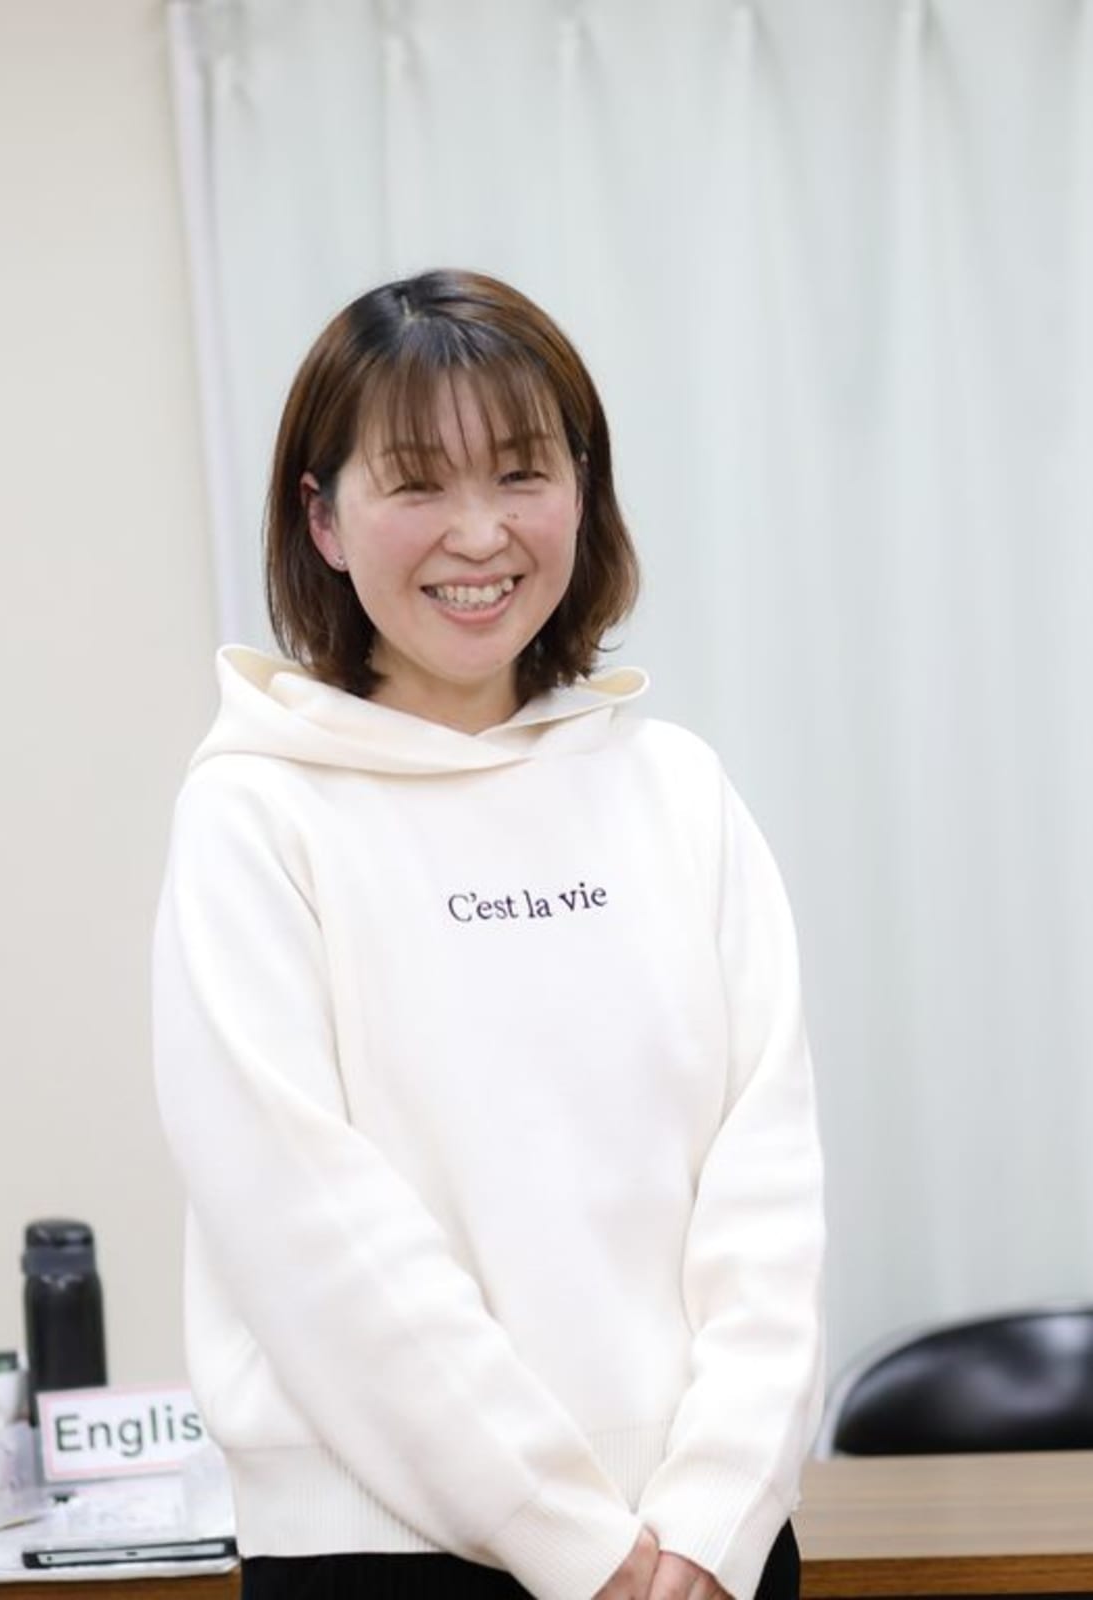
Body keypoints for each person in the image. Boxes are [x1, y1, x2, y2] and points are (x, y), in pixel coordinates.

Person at [152, 269, 825, 1600]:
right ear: (322, 519)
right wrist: (569, 1539)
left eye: (521, 473)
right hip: (387, 1549)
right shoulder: (256, 814)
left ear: (582, 489)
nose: (478, 534)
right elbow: (311, 1233)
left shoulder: (674, 790)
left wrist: (717, 1509)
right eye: (415, 483)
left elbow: (768, 1184)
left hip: (704, 1555)